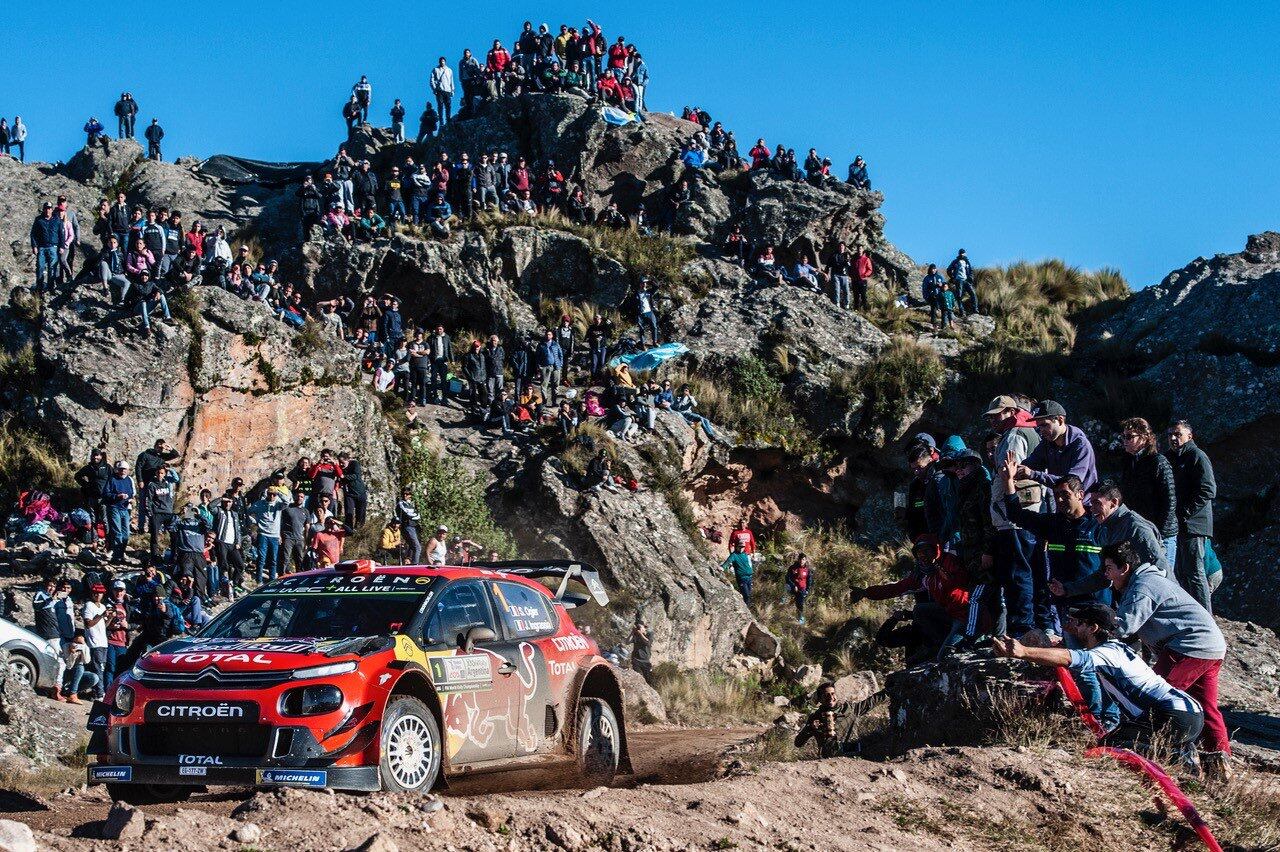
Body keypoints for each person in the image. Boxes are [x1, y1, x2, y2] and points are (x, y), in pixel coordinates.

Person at [993, 603, 1204, 765]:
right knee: (1117, 741)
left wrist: (1024, 652)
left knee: (1111, 748)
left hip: (1172, 715)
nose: (1075, 627)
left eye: (1080, 623)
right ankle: (1194, 755)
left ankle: (1181, 756)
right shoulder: (1117, 649)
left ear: (1093, 628)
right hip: (1188, 712)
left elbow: (1073, 659)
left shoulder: (1107, 653)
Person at [998, 451, 1115, 730]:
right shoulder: (1055, 524)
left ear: (1081, 495)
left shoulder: (1098, 527)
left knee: (1104, 666)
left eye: (1066, 495)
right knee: (1080, 666)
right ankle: (1094, 720)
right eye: (1058, 496)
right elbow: (1016, 514)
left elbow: (1112, 569)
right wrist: (1009, 482)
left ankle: (1111, 718)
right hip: (1069, 610)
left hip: (1099, 608)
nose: (1061, 501)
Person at [1101, 541, 1231, 779]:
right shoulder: (1150, 581)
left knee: (1159, 699)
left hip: (1188, 646)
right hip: (1211, 646)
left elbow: (1124, 626)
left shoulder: (1143, 586)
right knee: (1207, 708)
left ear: (1125, 567)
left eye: (1109, 568)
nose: (1106, 574)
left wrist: (1094, 629)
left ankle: (1171, 756)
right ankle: (1220, 766)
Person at [1165, 421, 1217, 614]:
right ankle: (1190, 614)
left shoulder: (1196, 456)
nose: (1173, 438)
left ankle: (1205, 617)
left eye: (1177, 434)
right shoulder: (1169, 458)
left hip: (1194, 525)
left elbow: (1208, 489)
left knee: (1194, 572)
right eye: (1170, 434)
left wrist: (1184, 513)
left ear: (1189, 436)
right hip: (1175, 525)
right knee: (1179, 572)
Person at [1118, 417, 1178, 567]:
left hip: (1161, 535)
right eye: (1123, 436)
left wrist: (1160, 534)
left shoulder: (1158, 461)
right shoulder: (1129, 463)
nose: (1125, 440)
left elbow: (1169, 501)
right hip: (1138, 531)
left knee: (1163, 579)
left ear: (1144, 437)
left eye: (1130, 436)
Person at [1016, 400, 1099, 493]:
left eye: (1045, 425)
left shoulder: (1081, 445)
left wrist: (1033, 474)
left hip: (1083, 503)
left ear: (1060, 420)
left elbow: (1071, 483)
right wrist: (1014, 469)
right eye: (1039, 427)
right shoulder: (1046, 443)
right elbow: (1030, 464)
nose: (1041, 431)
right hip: (1059, 500)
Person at [249, 488, 286, 582]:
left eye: (274, 494)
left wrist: (279, 493)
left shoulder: (278, 504)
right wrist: (255, 521)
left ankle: (272, 579)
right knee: (261, 558)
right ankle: (259, 580)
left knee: (273, 559)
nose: (272, 496)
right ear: (267, 494)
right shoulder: (259, 504)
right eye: (270, 494)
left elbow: (287, 502)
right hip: (263, 534)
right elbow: (248, 512)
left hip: (274, 535)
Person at [794, 682, 841, 757]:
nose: (831, 697)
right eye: (826, 695)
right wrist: (810, 728)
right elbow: (798, 743)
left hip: (854, 757)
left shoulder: (848, 708)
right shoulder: (815, 717)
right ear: (820, 699)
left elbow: (866, 704)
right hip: (828, 761)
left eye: (833, 693)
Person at [103, 460, 135, 564]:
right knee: (117, 533)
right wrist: (117, 496)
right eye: (121, 469)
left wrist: (130, 499)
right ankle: (117, 557)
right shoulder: (112, 479)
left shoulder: (129, 480)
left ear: (128, 470)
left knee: (126, 534)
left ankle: (120, 553)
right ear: (118, 470)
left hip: (125, 508)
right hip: (114, 507)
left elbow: (131, 493)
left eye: (125, 469)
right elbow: (106, 494)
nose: (123, 471)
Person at [30, 201, 65, 293]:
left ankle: (50, 287)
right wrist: (34, 246)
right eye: (46, 208)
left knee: (52, 268)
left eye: (49, 208)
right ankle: (39, 286)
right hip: (41, 247)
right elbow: (33, 234)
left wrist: (62, 246)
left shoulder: (57, 220)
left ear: (52, 209)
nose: (47, 210)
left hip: (53, 247)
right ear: (43, 209)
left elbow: (61, 234)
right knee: (40, 267)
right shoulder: (38, 220)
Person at [61, 629, 99, 704]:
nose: (77, 645)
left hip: (77, 674)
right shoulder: (65, 646)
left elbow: (86, 661)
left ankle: (68, 692)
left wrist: (84, 647)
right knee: (80, 667)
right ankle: (72, 694)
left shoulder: (84, 647)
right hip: (65, 672)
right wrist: (71, 652)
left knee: (94, 677)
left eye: (79, 643)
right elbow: (68, 665)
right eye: (76, 642)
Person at [722, 539, 754, 605]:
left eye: (743, 547)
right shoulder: (734, 555)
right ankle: (746, 610)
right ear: (736, 546)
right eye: (740, 547)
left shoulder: (745, 554)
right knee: (746, 595)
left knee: (749, 595)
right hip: (742, 578)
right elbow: (727, 562)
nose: (741, 548)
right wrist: (722, 567)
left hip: (749, 577)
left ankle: (746, 607)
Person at [537, 329, 564, 404]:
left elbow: (560, 355)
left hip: (555, 367)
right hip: (545, 367)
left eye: (549, 334)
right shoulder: (541, 345)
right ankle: (544, 401)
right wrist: (539, 366)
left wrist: (560, 364)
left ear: (552, 336)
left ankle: (554, 401)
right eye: (547, 334)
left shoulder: (556, 344)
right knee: (544, 385)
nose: (548, 336)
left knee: (555, 384)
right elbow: (537, 356)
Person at [947, 249, 978, 316]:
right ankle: (962, 311)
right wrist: (952, 278)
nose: (962, 254)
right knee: (959, 296)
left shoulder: (967, 262)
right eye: (961, 253)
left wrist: (970, 277)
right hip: (959, 280)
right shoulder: (955, 261)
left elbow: (971, 270)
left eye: (963, 253)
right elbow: (949, 269)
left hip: (966, 280)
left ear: (965, 254)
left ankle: (975, 309)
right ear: (959, 254)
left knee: (973, 294)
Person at [396, 488, 422, 563]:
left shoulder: (410, 504)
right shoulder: (401, 503)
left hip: (412, 526)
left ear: (410, 495)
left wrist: (414, 516)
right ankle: (415, 565)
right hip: (407, 526)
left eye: (407, 494)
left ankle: (409, 562)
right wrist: (414, 516)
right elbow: (408, 514)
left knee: (412, 546)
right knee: (417, 547)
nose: (405, 495)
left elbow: (418, 515)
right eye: (403, 493)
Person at [786, 553, 813, 624]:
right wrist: (793, 586)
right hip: (793, 588)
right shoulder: (793, 568)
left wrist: (807, 590)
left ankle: (800, 617)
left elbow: (809, 580)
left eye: (803, 559)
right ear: (798, 559)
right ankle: (783, 612)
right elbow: (788, 578)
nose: (801, 561)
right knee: (787, 600)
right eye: (800, 559)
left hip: (802, 590)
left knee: (800, 604)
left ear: (805, 560)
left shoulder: (807, 570)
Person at [636, 278, 659, 347]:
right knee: (642, 329)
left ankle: (655, 342)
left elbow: (656, 287)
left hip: (649, 312)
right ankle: (643, 344)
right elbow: (633, 304)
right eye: (642, 283)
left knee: (654, 327)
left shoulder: (649, 292)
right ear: (640, 284)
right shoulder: (636, 293)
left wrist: (650, 281)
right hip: (640, 313)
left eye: (645, 283)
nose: (644, 285)